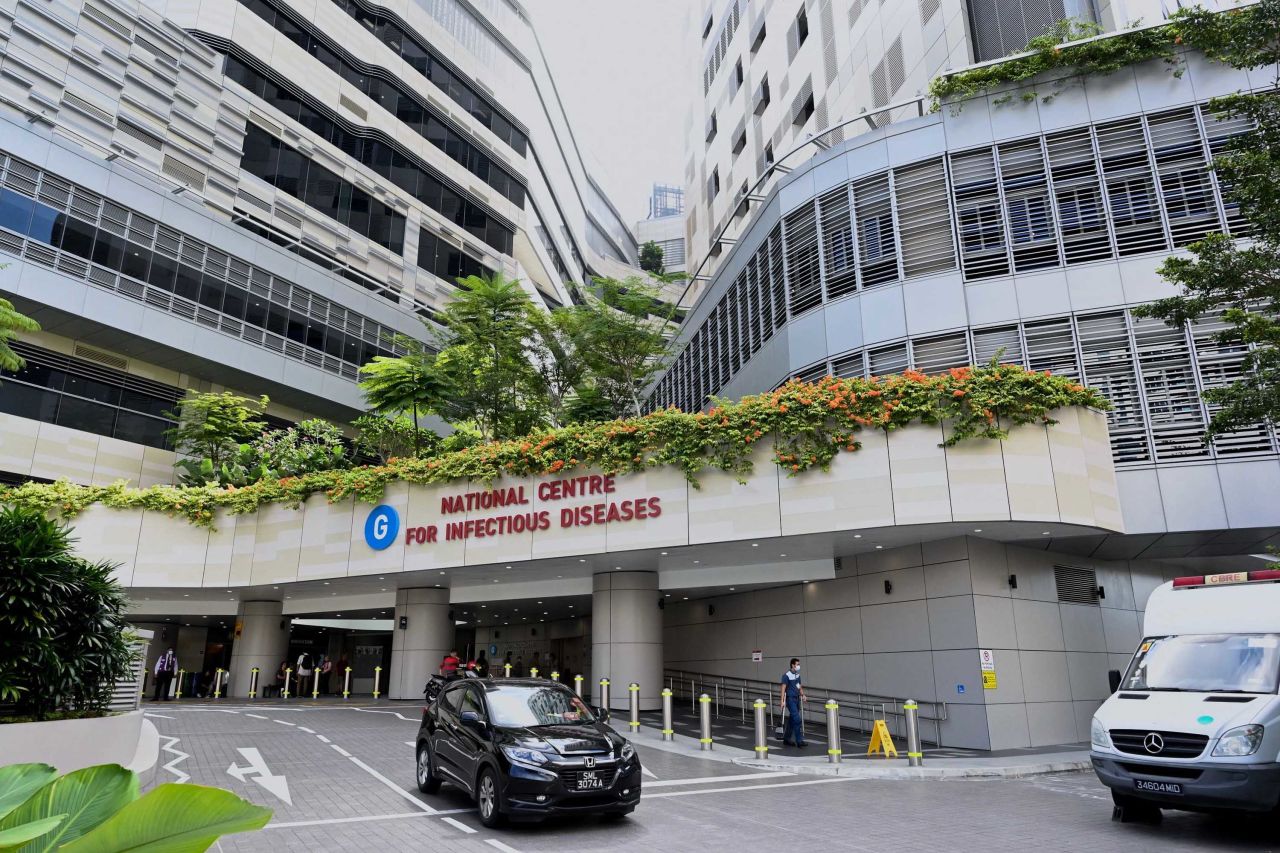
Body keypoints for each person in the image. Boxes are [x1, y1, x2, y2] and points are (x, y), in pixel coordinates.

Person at [779, 658, 807, 748]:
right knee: (797, 719)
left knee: (792, 720)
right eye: (797, 664)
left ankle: (786, 739)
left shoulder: (797, 675)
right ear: (792, 665)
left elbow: (799, 686)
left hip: (797, 699)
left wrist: (803, 695)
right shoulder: (786, 675)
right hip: (790, 699)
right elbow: (783, 689)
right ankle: (799, 741)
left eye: (799, 664)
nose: (799, 666)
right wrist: (782, 701)